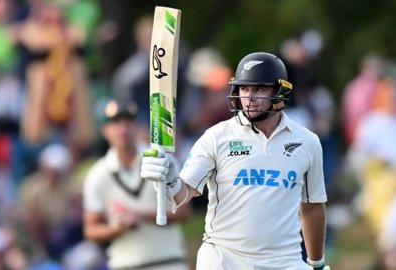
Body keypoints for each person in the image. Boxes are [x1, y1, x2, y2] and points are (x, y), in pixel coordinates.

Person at [141, 52, 330, 270]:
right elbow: (182, 195)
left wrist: (316, 263)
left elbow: (313, 206)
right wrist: (169, 180)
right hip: (224, 257)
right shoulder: (217, 136)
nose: (249, 97)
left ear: (280, 92)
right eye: (244, 89)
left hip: (285, 260)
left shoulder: (307, 142)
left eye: (259, 89)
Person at [83, 99, 190, 270]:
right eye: (115, 123)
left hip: (169, 262)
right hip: (125, 265)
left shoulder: (162, 160)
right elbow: (91, 230)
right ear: (105, 130)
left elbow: (183, 211)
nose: (122, 129)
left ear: (138, 126)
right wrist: (117, 227)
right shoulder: (97, 174)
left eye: (128, 122)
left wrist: (140, 216)